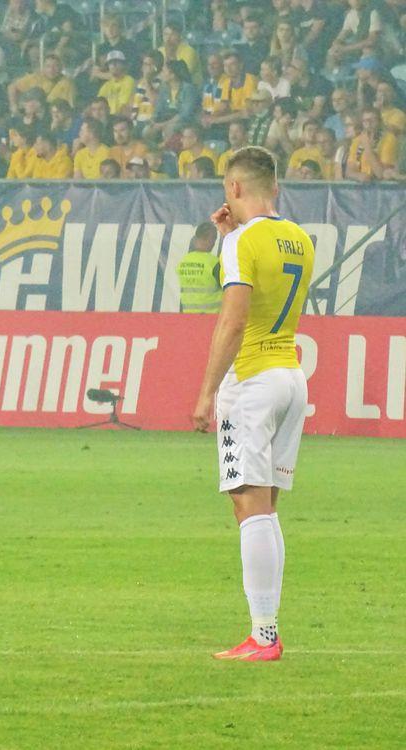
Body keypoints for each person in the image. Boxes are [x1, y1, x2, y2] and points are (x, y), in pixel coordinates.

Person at [191, 145, 315, 662]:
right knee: (265, 509)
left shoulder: (244, 241)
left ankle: (263, 636)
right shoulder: (299, 238)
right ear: (275, 187)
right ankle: (266, 630)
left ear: (234, 188)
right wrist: (229, 239)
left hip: (252, 381)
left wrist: (206, 391)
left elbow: (235, 319)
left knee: (247, 504)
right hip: (291, 376)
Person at [175, 221, 221, 313]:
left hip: (188, 316)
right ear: (210, 239)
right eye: (214, 239)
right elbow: (229, 289)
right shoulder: (214, 263)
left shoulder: (183, 262)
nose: (213, 243)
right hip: (211, 316)